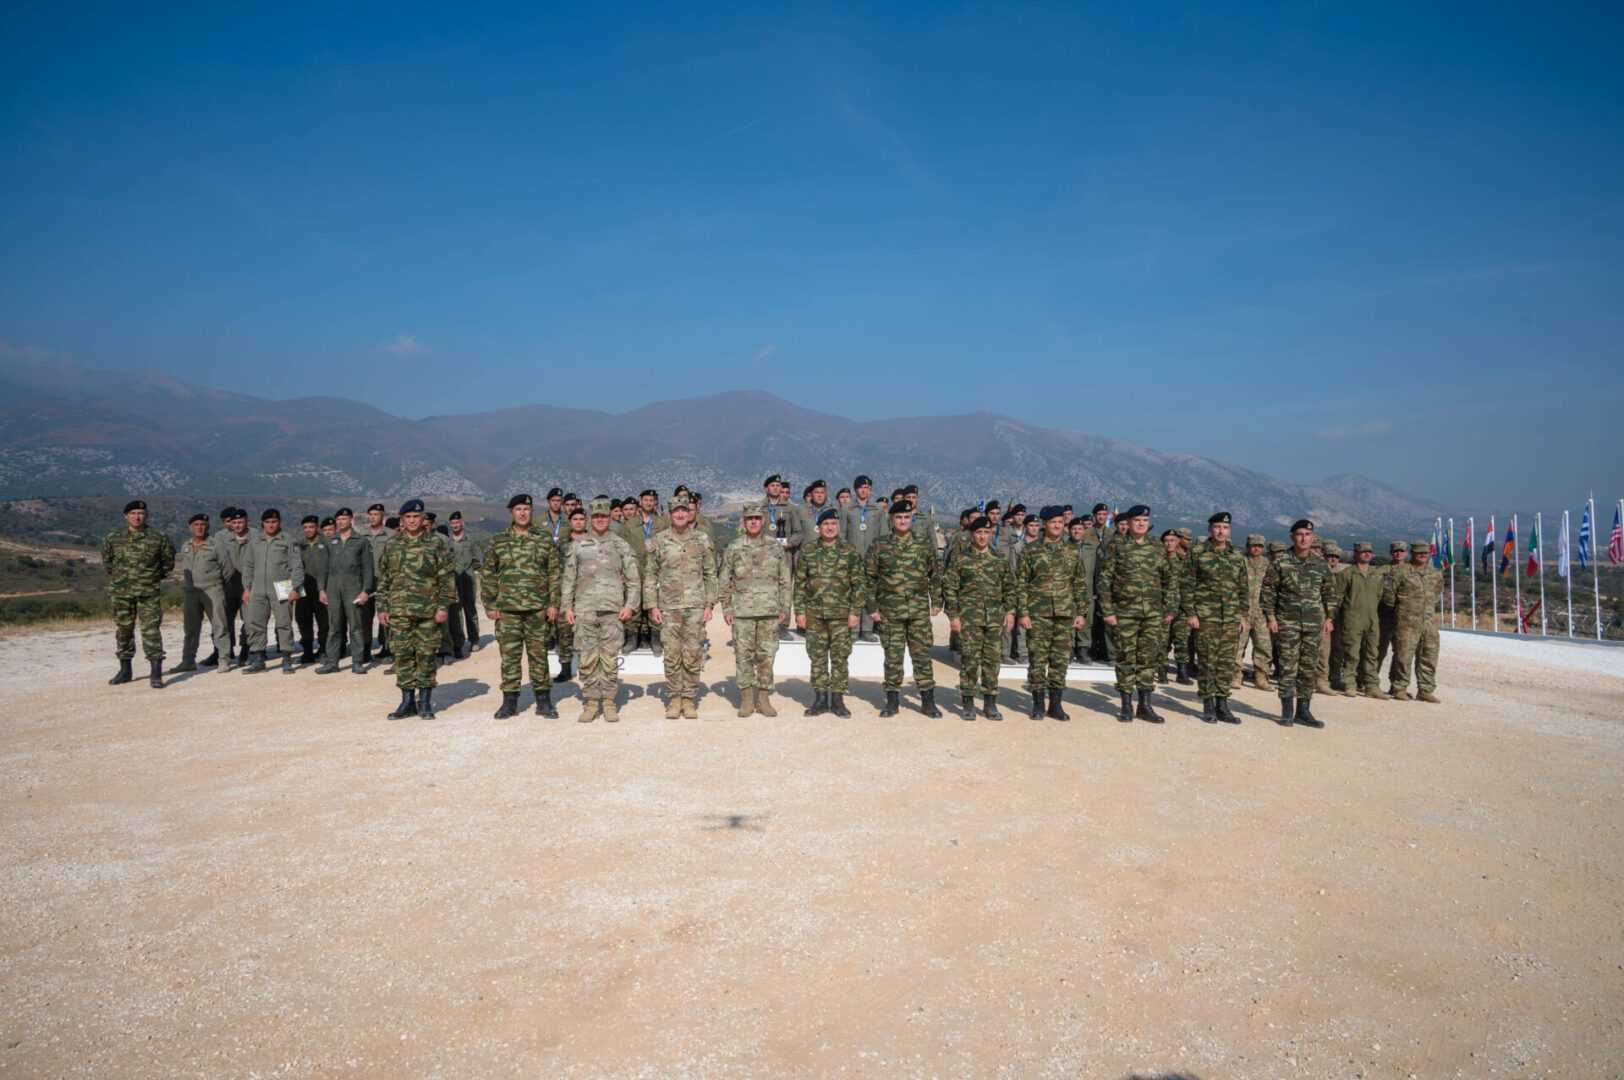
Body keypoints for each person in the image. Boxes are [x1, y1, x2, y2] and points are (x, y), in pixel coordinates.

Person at [482, 494, 562, 719]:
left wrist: (553, 603)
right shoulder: (498, 540)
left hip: (537, 610)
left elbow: (554, 572)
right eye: (518, 509)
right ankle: (509, 702)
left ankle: (544, 701)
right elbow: (488, 573)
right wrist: (490, 604)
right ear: (511, 512)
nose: (523, 513)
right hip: (508, 611)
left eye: (526, 509)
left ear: (531, 511)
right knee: (509, 658)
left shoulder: (543, 538)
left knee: (539, 656)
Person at [562, 498, 640, 722]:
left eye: (603, 516)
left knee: (609, 658)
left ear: (609, 518)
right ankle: (590, 702)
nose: (599, 520)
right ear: (590, 518)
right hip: (584, 610)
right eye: (595, 516)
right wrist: (566, 607)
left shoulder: (621, 545)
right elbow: (568, 579)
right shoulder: (578, 545)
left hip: (612, 611)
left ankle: (608, 702)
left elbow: (634, 579)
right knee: (587, 659)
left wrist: (630, 605)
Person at [375, 499, 454, 719]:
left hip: (428, 611)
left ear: (423, 518)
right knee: (402, 655)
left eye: (416, 517)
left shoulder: (436, 543)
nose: (412, 521)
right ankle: (407, 701)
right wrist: (382, 607)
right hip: (399, 611)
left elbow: (446, 578)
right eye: (408, 517)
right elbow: (384, 579)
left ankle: (425, 701)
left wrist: (443, 606)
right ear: (402, 519)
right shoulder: (392, 544)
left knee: (427, 655)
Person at [1098, 505, 1177, 723]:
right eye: (1137, 520)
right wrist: (1108, 610)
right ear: (1129, 523)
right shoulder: (1116, 546)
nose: (1141, 524)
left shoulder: (1157, 547)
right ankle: (1126, 705)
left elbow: (1169, 579)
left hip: (1153, 614)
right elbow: (1104, 580)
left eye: (1145, 520)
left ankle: (1145, 705)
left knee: (1148, 659)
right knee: (1125, 658)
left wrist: (1169, 608)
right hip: (1125, 613)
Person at [866, 500, 943, 717]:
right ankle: (892, 701)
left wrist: (937, 601)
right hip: (890, 612)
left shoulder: (923, 544)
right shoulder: (879, 545)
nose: (902, 521)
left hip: (918, 611)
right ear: (891, 520)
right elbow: (869, 578)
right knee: (893, 658)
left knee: (922, 656)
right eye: (898, 517)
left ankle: (928, 701)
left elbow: (935, 575)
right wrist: (872, 607)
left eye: (906, 517)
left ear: (911, 519)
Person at [647, 493, 717, 718]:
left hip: (695, 607)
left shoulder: (702, 539)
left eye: (683, 510)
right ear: (670, 514)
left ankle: (688, 699)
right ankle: (674, 698)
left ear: (690, 513)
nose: (679, 514)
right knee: (672, 654)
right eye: (675, 511)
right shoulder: (659, 540)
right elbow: (650, 575)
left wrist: (709, 604)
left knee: (693, 653)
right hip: (669, 607)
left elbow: (710, 573)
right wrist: (652, 605)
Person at [1016, 507, 1090, 720]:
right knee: (1038, 660)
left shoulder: (1072, 551)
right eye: (1053, 522)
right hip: (1038, 614)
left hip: (1064, 614)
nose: (1057, 525)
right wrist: (1023, 612)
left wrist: (1082, 612)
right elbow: (1021, 583)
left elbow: (1079, 583)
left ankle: (1055, 705)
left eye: (1060, 522)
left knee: (1060, 661)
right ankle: (1038, 704)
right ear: (1044, 524)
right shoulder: (1031, 550)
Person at [1261, 519, 1335, 727]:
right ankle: (1287, 711)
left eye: (1307, 535)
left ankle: (1303, 711)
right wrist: (1271, 618)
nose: (1304, 538)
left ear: (1313, 538)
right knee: (1287, 666)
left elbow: (1329, 593)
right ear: (1292, 537)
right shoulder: (1281, 563)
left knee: (1308, 667)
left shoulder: (1320, 564)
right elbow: (1268, 592)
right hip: (1288, 623)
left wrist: (1329, 617)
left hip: (1313, 624)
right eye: (1300, 534)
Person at [720, 503, 792, 717]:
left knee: (767, 656)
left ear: (763, 521)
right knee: (743, 656)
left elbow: (784, 580)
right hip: (742, 612)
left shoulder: (775, 547)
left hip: (769, 611)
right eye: (749, 518)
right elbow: (724, 579)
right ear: (744, 522)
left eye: (757, 518)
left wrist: (784, 607)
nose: (753, 522)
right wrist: (727, 608)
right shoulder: (734, 547)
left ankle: (763, 698)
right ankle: (746, 699)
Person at [794, 507, 864, 717]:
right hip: (814, 614)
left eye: (833, 523)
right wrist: (799, 612)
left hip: (841, 614)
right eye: (826, 524)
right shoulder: (808, 550)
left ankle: (838, 699)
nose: (830, 527)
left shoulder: (849, 550)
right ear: (819, 527)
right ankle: (820, 699)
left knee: (840, 657)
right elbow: (800, 583)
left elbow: (859, 583)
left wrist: (855, 611)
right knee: (817, 657)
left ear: (838, 526)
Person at [947, 514, 1017, 720]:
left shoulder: (1000, 559)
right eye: (979, 532)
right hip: (969, 619)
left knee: (992, 662)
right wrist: (953, 616)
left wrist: (1010, 612)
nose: (982, 536)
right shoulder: (961, 559)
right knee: (970, 660)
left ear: (991, 534)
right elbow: (950, 588)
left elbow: (1010, 587)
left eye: (987, 532)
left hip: (994, 619)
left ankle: (990, 703)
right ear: (972, 534)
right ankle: (968, 702)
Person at [102, 499, 176, 688]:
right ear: (126, 516)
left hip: (148, 592)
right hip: (121, 592)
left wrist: (151, 578)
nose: (137, 517)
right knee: (124, 629)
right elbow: (108, 562)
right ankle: (125, 670)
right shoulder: (113, 537)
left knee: (151, 630)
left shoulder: (158, 537)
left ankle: (156, 672)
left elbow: (168, 563)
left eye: (141, 513)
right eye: (133, 513)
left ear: (146, 516)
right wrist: (122, 578)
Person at [1182, 512, 1248, 723]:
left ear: (1230, 530)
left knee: (1226, 663)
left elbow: (1243, 587)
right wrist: (1191, 613)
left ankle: (1223, 704)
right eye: (1217, 527)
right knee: (1208, 661)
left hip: (1230, 617)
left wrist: (1243, 615)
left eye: (1225, 528)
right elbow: (1187, 584)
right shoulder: (1198, 552)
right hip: (1206, 617)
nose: (1221, 531)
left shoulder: (1237, 555)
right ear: (1210, 529)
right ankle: (1208, 704)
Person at [240, 508, 304, 674]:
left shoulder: (287, 540)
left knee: (284, 623)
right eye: (267, 522)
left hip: (282, 586)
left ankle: (287, 659)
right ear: (262, 523)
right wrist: (246, 588)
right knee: (256, 623)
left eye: (274, 522)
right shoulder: (255, 541)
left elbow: (296, 565)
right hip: (257, 588)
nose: (271, 525)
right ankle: (258, 659)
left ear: (279, 522)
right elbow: (248, 565)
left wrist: (295, 588)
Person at [316, 507, 375, 675]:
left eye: (344, 518)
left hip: (354, 588)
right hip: (333, 588)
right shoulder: (330, 541)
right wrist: (321, 589)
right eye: (338, 519)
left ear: (351, 519)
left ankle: (357, 662)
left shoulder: (361, 541)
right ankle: (332, 662)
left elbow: (368, 568)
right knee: (334, 627)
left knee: (356, 627)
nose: (341, 522)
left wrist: (366, 590)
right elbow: (323, 568)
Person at [1386, 539, 1443, 702]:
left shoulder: (1435, 574)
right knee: (1404, 656)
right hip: (1407, 622)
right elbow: (1389, 596)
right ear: (1412, 553)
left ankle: (1425, 690)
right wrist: (1400, 613)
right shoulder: (1401, 571)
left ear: (1429, 554)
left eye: (1425, 553)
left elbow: (1437, 594)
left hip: (1428, 622)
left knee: (1429, 656)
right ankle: (1399, 688)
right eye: (1419, 553)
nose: (1422, 555)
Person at [173, 512, 230, 676]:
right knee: (190, 628)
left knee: (219, 625)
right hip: (191, 591)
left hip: (212, 589)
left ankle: (224, 659)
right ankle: (188, 661)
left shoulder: (216, 545)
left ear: (208, 526)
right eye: (196, 525)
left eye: (203, 525)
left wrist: (216, 584)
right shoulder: (186, 545)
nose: (200, 528)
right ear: (190, 527)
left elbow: (227, 569)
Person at [839, 474, 887, 641]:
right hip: (853, 558)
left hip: (872, 558)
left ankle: (867, 629)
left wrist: (880, 556)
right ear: (856, 489)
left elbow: (883, 535)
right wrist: (846, 554)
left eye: (867, 487)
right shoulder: (847, 509)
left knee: (870, 592)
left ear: (870, 490)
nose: (864, 490)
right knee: (852, 592)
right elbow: (842, 534)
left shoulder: (878, 510)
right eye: (861, 487)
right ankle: (853, 629)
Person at [1338, 542, 1385, 697]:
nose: (1366, 554)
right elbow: (1338, 597)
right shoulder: (1347, 573)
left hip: (1372, 618)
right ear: (1356, 554)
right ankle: (1349, 683)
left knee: (1372, 653)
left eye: (1369, 551)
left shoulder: (1376, 575)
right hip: (1353, 618)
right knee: (1352, 653)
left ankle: (1371, 686)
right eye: (1363, 551)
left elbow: (1379, 595)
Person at [211, 507, 251, 666]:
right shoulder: (220, 537)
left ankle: (246, 648)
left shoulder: (254, 535)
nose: (231, 524)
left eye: (233, 521)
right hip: (228, 583)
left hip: (247, 581)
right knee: (224, 619)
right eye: (227, 522)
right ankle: (223, 651)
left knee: (249, 618)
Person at [1236, 534, 1274, 691]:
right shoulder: (1240, 562)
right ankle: (1235, 676)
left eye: (1259, 546)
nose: (1256, 548)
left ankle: (1261, 678)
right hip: (1242, 612)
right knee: (1237, 646)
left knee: (1263, 647)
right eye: (1253, 545)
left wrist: (1271, 616)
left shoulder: (1269, 565)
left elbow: (1272, 589)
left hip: (1261, 612)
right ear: (1248, 546)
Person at [553, 508, 586, 682]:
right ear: (570, 522)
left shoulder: (593, 542)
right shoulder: (562, 543)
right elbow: (554, 568)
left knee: (587, 631)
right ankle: (565, 669)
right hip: (565, 592)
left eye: (581, 519)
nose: (579, 522)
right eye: (575, 519)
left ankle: (586, 668)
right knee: (564, 631)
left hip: (586, 593)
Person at [360, 503, 394, 660]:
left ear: (382, 516)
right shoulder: (361, 535)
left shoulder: (391, 535)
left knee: (385, 615)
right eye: (371, 514)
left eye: (377, 514)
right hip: (365, 582)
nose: (373, 517)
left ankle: (387, 648)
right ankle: (365, 649)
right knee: (364, 617)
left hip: (384, 582)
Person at [447, 510, 481, 656]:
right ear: (450, 524)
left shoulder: (470, 540)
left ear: (462, 522)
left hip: (468, 579)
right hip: (453, 580)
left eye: (457, 522)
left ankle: (474, 639)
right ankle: (458, 643)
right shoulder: (447, 542)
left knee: (470, 609)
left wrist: (471, 570)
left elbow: (478, 559)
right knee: (456, 611)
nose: (455, 525)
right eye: (453, 523)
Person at [295, 515, 328, 665]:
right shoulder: (299, 544)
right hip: (304, 585)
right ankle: (307, 650)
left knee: (324, 621)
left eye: (311, 527)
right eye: (305, 527)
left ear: (317, 527)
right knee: (303, 619)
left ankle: (323, 650)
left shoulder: (326, 542)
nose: (308, 530)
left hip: (322, 586)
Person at [1317, 542, 1350, 694]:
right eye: (1329, 556)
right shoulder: (1318, 571)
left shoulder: (1344, 573)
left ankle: (1335, 678)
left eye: (1335, 557)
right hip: (1321, 615)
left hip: (1339, 616)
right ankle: (1320, 681)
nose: (1332, 559)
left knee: (1338, 649)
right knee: (1322, 650)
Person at [1376, 541, 1410, 686]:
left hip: (1403, 617)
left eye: (1401, 551)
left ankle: (1396, 685)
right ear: (1391, 553)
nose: (1398, 553)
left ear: (1406, 553)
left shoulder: (1411, 570)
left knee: (1401, 652)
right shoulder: (1383, 570)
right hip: (1384, 615)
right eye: (1395, 551)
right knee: (1378, 649)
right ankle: (1369, 681)